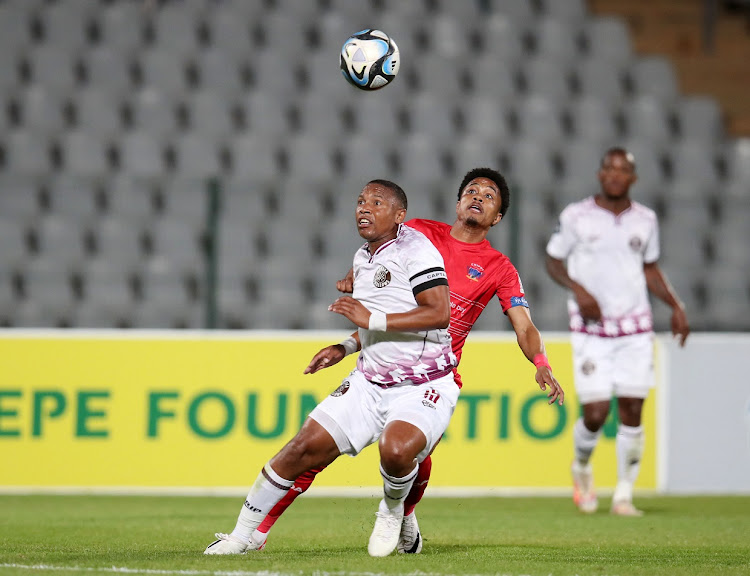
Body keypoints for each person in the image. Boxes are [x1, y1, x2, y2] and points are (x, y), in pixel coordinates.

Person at [235, 168, 564, 554]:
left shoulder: (499, 268)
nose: (477, 197)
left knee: (406, 454)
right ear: (457, 203)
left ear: (498, 218)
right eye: (471, 190)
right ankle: (258, 531)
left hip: (432, 376)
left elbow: (524, 325)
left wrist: (540, 361)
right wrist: (348, 312)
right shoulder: (419, 233)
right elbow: (378, 265)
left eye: (489, 196)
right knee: (313, 452)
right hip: (381, 366)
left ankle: (401, 514)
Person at [206, 179, 460, 557]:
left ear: (399, 215)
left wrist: (370, 319)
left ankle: (392, 511)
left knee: (395, 451)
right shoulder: (363, 257)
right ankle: (243, 537)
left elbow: (439, 314)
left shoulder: (417, 249)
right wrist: (343, 347)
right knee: (300, 449)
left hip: (423, 384)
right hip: (369, 381)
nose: (363, 208)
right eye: (360, 201)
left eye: (376, 202)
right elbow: (375, 322)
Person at [545, 147, 689, 517]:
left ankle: (624, 495)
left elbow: (651, 269)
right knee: (594, 413)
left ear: (632, 178)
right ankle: (581, 467)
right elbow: (553, 260)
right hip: (592, 329)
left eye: (622, 170)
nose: (614, 174)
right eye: (608, 168)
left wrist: (675, 306)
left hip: (635, 328)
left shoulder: (645, 219)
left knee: (632, 409)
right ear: (600, 174)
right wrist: (579, 290)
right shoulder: (576, 215)